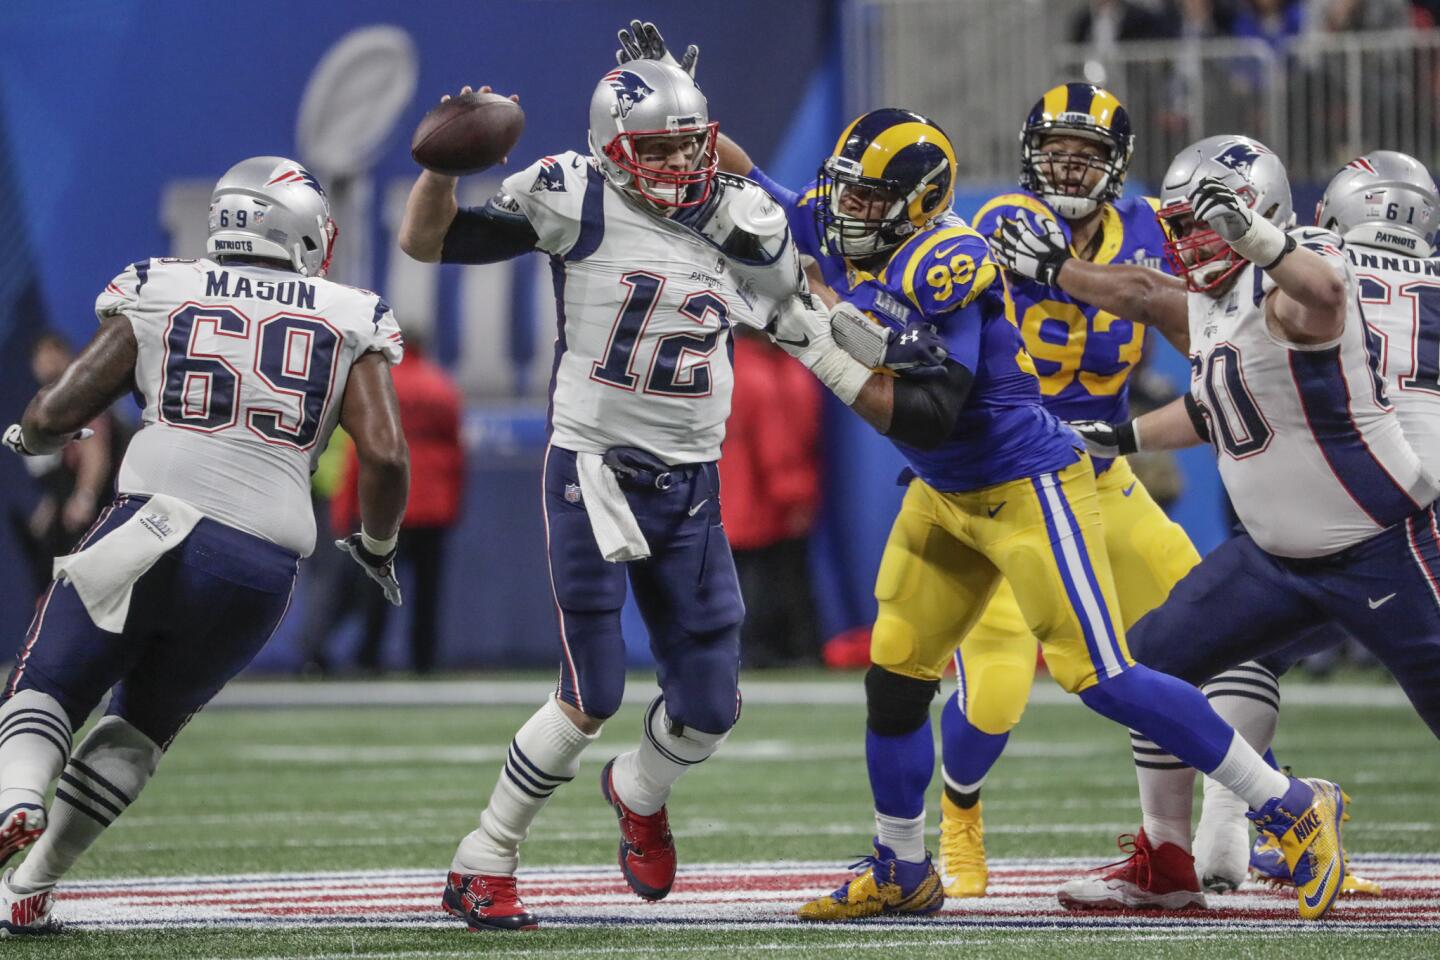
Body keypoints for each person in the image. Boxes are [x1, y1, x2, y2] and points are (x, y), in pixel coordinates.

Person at [722, 106, 1348, 921]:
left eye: (871, 200)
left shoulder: (950, 259)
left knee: (1104, 677)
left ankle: (1289, 803)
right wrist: (693, 131)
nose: (847, 214)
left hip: (1025, 484)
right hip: (943, 495)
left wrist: (810, 342)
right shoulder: (852, 220)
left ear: (916, 204)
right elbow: (751, 184)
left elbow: (927, 414)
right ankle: (904, 866)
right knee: (897, 679)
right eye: (848, 196)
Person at [396, 31, 821, 930]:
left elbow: (801, 268)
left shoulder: (744, 214)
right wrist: (439, 169)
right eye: (655, 147)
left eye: (689, 144)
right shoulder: (576, 194)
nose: (676, 165)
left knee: (711, 706)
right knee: (592, 689)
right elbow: (429, 243)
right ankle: (485, 857)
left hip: (694, 483)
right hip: (593, 467)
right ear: (611, 150)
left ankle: (639, 790)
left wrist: (682, 103)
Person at [990, 134, 1438, 914]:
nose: (1192, 243)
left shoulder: (1295, 283)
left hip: (1379, 547)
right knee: (1153, 661)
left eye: (1208, 225)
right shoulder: (1217, 295)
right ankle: (1166, 859)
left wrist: (1251, 236)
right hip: (1275, 558)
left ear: (1260, 217)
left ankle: (1285, 812)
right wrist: (1119, 438)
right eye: (1184, 227)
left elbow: (1325, 295)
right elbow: (1219, 402)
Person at [0, 156, 408, 933]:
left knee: (47, 682)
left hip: (151, 521)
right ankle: (31, 885)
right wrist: (379, 546)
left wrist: (33, 433)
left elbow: (62, 405)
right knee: (143, 724)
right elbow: (386, 454)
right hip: (260, 562)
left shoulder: (164, 284)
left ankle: (16, 798)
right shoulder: (351, 310)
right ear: (300, 230)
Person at [930, 82, 1201, 900]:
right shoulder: (992, 226)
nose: (1069, 167)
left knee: (1212, 622)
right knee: (995, 697)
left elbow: (1203, 305)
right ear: (1028, 158)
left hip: (1105, 472)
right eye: (1056, 153)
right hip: (1014, 477)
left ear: (1116, 166)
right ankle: (960, 810)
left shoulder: (1153, 226)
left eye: (1086, 155)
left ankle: (1230, 821)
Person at [1185, 150, 1440, 895]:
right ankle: (1241, 829)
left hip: (1347, 511)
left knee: (1245, 652)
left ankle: (1225, 831)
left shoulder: (1304, 266)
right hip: (1404, 513)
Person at [331, 331, 464, 674]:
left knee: (377, 586)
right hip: (433, 505)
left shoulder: (379, 384)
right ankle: (424, 660)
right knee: (427, 590)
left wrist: (347, 505)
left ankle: (369, 658)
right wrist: (454, 504)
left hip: (387, 502)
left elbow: (362, 450)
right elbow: (456, 453)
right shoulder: (442, 386)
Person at [719, 326, 823, 668]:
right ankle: (775, 650)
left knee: (746, 578)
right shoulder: (766, 374)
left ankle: (752, 649)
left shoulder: (730, 365)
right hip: (760, 498)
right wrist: (795, 497)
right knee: (768, 578)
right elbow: (778, 446)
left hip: (731, 494)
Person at [17, 333, 119, 597]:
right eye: (40, 357)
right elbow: (65, 469)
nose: (45, 362)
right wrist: (48, 512)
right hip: (71, 522)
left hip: (97, 515)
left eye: (52, 353)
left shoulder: (80, 398)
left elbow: (95, 451)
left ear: (67, 356)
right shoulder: (50, 408)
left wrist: (84, 497)